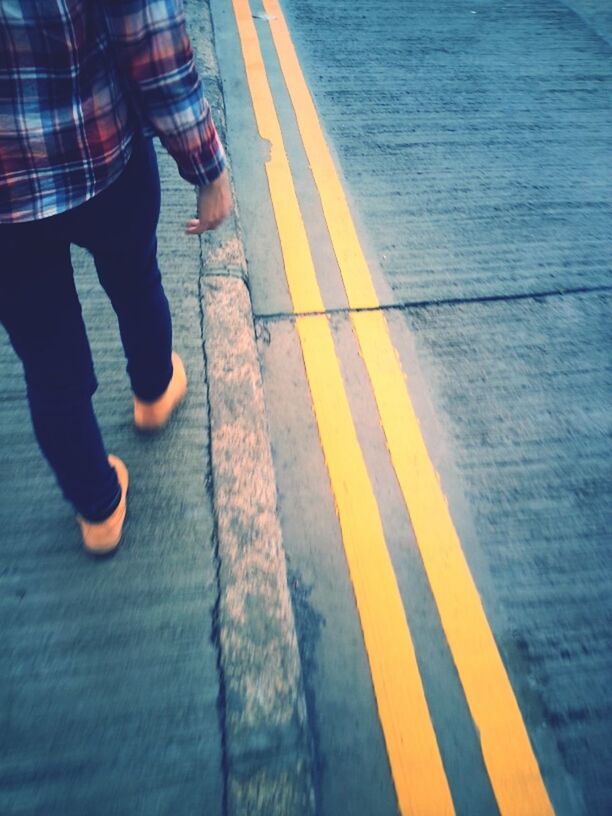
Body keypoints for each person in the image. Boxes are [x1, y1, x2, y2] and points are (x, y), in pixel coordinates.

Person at [0, 1, 232, 555]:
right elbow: (151, 44)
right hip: (104, 158)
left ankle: (99, 512)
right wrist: (208, 168)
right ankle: (153, 393)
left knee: (48, 362)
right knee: (135, 283)